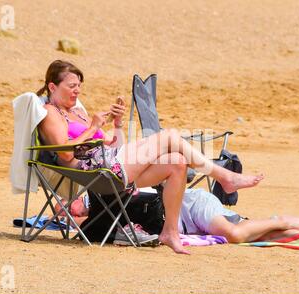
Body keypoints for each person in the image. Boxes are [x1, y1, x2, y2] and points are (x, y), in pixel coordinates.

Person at [37, 60, 265, 254]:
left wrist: (116, 125)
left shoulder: (77, 112)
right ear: (52, 86)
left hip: (110, 164)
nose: (77, 91)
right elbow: (65, 153)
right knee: (169, 136)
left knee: (177, 162)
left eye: (79, 86)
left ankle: (170, 232)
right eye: (72, 86)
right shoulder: (50, 112)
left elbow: (114, 145)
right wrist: (93, 126)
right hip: (94, 171)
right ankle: (225, 177)